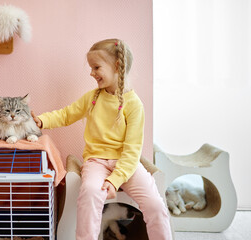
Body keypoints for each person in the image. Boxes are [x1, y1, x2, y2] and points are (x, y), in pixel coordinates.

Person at [32, 38, 172, 240]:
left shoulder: (134, 105)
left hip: (126, 165)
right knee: (89, 193)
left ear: (117, 66)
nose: (91, 73)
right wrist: (42, 121)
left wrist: (114, 181)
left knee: (156, 205)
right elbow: (66, 114)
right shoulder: (92, 98)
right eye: (91, 68)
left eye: (96, 67)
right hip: (96, 161)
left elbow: (132, 152)